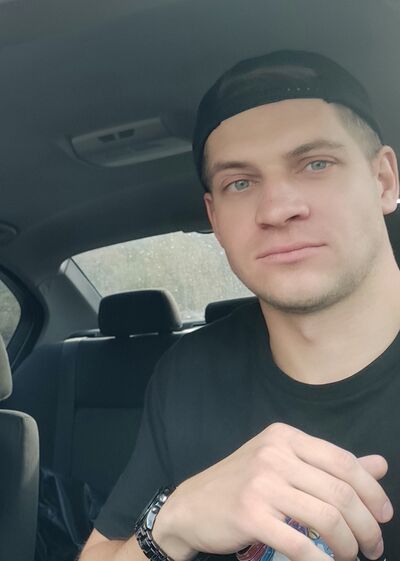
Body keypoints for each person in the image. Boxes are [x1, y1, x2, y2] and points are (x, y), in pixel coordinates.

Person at [79, 50, 400, 561]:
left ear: (384, 180)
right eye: (240, 183)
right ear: (215, 218)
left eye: (316, 164)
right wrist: (175, 522)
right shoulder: (189, 373)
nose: (277, 209)